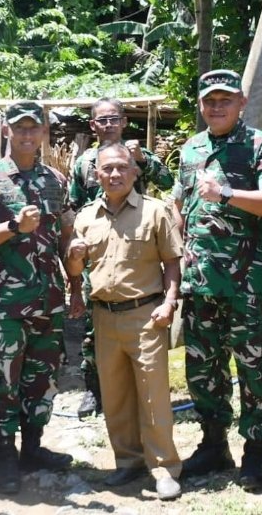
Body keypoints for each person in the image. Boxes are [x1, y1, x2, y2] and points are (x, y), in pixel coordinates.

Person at [173, 69, 262, 491]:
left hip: (248, 285)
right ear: (201, 105)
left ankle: (255, 453)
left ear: (240, 103)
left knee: (254, 369)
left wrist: (226, 194)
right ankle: (213, 444)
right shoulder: (191, 149)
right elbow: (179, 209)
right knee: (204, 369)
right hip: (200, 283)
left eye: (224, 99)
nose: (216, 107)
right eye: (209, 101)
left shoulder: (260, 145)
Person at [0, 101, 80, 495]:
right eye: (20, 128)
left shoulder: (55, 179)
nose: (27, 135)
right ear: (6, 131)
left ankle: (32, 449)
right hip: (6, 306)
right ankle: (5, 458)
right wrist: (14, 225)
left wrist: (76, 280)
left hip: (48, 300)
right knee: (3, 382)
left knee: (41, 379)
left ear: (44, 131)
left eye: (34, 128)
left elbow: (66, 234)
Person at [65, 141, 184, 501]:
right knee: (115, 397)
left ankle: (164, 468)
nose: (114, 174)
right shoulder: (85, 217)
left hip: (146, 316)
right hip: (104, 318)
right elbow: (75, 272)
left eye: (121, 167)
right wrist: (73, 258)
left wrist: (169, 302)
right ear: (96, 174)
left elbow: (172, 263)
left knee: (153, 396)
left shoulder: (154, 212)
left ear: (134, 171)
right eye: (107, 169)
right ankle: (127, 461)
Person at [68, 98, 174, 418]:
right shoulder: (84, 163)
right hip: (97, 256)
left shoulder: (136, 154)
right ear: (93, 126)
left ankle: (141, 390)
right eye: (102, 120)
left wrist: (144, 160)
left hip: (135, 250)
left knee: (139, 323)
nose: (109, 125)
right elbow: (72, 207)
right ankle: (93, 390)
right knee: (93, 326)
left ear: (125, 121)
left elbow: (167, 182)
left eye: (114, 119)